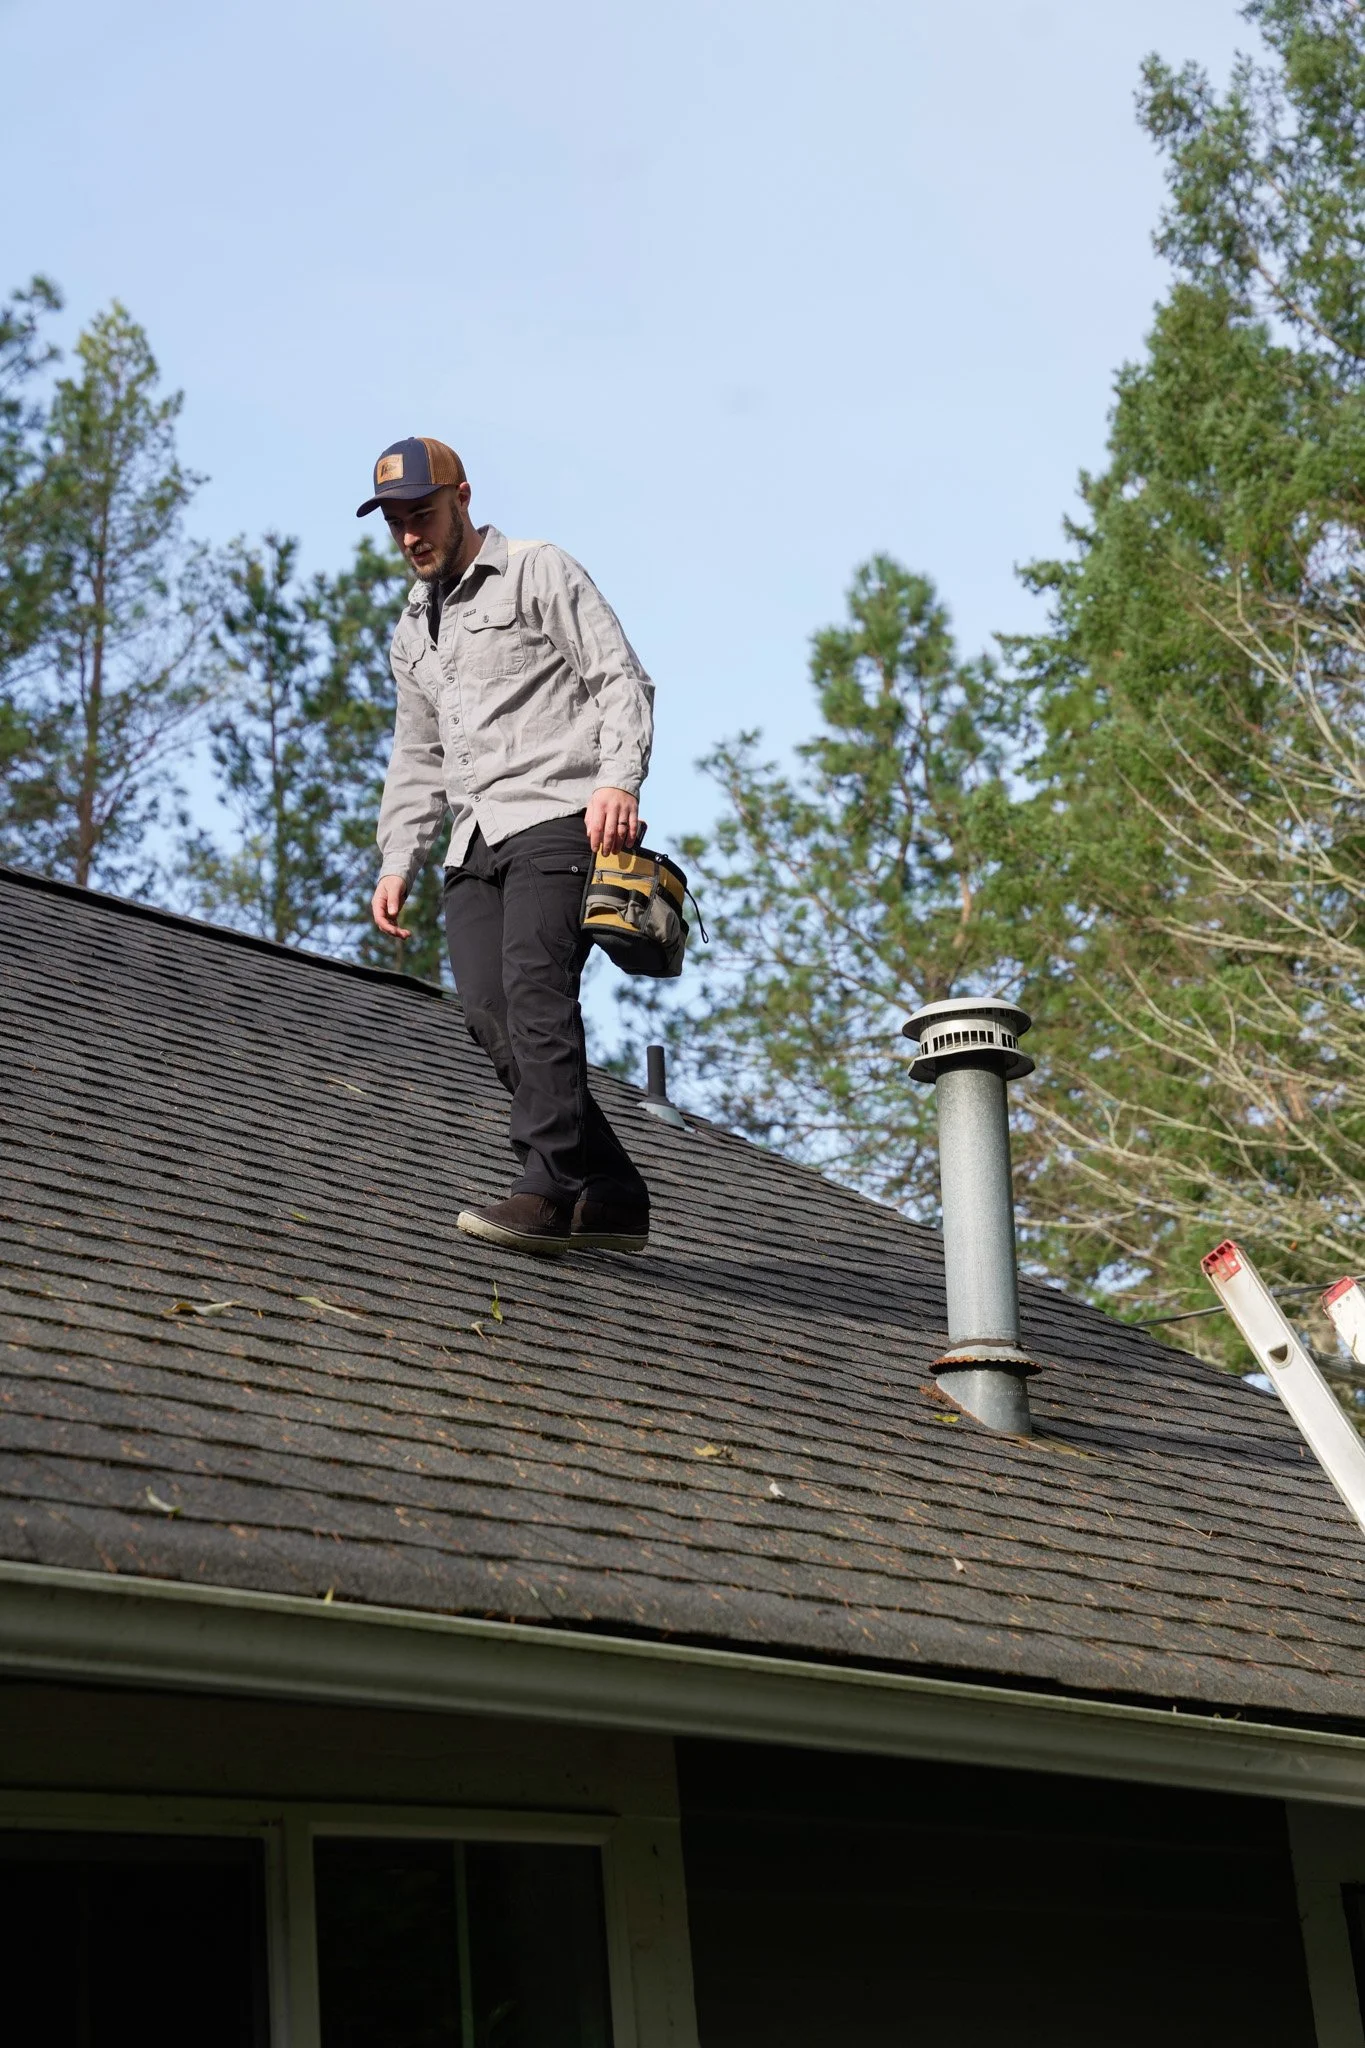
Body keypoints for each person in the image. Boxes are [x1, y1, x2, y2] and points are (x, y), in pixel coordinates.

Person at [360, 435, 654, 1257]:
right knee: (490, 1013)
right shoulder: (413, 630)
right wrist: (397, 860)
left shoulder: (537, 569)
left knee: (535, 996)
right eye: (394, 522)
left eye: (420, 513)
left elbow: (619, 677)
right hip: (472, 840)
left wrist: (618, 781)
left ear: (461, 496)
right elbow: (415, 754)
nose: (410, 534)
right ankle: (613, 1191)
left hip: (560, 817)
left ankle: (547, 1184)